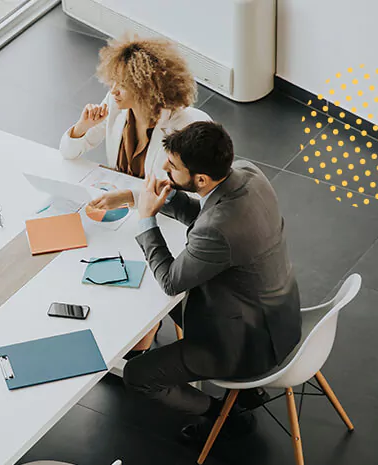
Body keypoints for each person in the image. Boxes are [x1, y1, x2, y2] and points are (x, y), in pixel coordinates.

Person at [123, 121, 302, 442]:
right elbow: (207, 214)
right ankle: (241, 398)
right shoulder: (248, 173)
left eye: (173, 166)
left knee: (138, 375)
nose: (165, 166)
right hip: (279, 316)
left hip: (245, 346)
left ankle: (223, 415)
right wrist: (162, 199)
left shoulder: (218, 229)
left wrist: (146, 219)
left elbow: (169, 280)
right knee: (163, 305)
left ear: (201, 179)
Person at [61, 37, 210, 209]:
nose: (113, 90)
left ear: (146, 89)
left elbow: (186, 197)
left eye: (123, 84)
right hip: (119, 207)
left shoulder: (187, 127)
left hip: (158, 214)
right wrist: (83, 126)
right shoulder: (115, 104)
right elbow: (68, 152)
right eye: (113, 80)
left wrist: (130, 197)